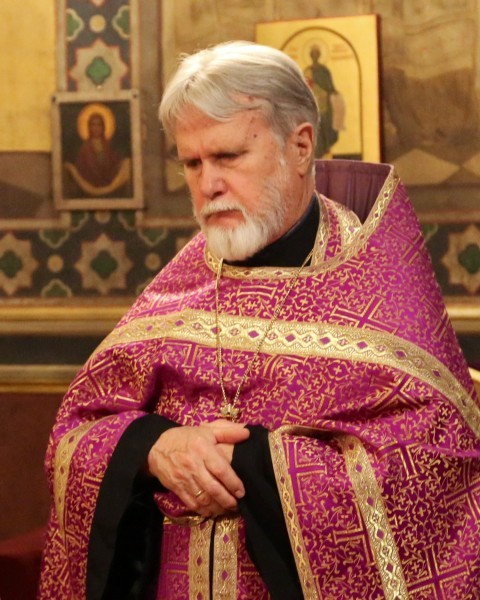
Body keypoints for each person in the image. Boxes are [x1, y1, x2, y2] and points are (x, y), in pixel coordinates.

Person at [38, 41, 480, 599]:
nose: (208, 185)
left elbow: (432, 463)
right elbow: (78, 430)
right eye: (192, 163)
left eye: (228, 157)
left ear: (300, 146)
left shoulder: (376, 283)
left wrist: (248, 463)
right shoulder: (179, 286)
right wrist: (150, 448)